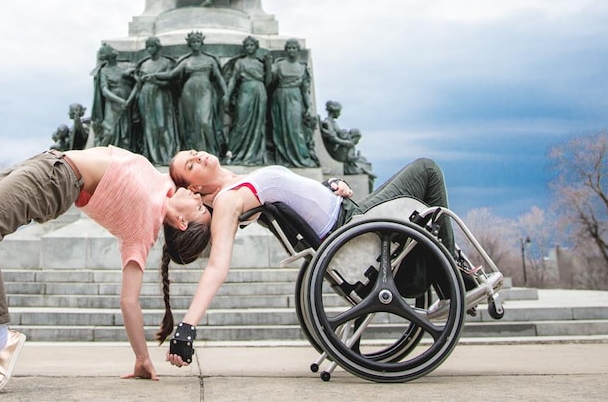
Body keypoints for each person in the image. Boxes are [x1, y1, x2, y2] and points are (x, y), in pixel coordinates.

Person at [0, 146, 209, 393]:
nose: (197, 195)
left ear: (183, 222)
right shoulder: (165, 183)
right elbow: (196, 166)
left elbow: (129, 301)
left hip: (58, 179)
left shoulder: (143, 227)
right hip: (47, 160)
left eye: (199, 207)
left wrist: (142, 358)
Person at [157, 149, 457, 366]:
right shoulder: (228, 200)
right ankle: (456, 281)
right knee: (427, 169)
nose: (199, 156)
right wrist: (186, 328)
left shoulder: (236, 184)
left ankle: (454, 275)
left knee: (421, 195)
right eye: (191, 164)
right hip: (350, 228)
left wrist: (329, 187)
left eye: (194, 153)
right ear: (194, 186)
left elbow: (296, 200)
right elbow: (217, 266)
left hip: (350, 218)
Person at [144, 31, 227, 157]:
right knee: (192, 123)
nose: (196, 44)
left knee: (205, 122)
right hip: (188, 92)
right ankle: (195, 153)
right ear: (189, 44)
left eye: (198, 42)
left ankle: (212, 152)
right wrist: (154, 75)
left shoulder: (210, 60)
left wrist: (226, 93)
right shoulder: (186, 61)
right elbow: (171, 74)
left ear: (202, 43)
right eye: (193, 42)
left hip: (205, 91)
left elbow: (219, 78)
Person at [268, 39, 319, 168]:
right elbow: (270, 82)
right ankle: (284, 157)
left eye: (294, 48)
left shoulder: (302, 67)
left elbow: (305, 90)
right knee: (281, 128)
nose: (291, 50)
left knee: (295, 129)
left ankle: (300, 157)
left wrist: (308, 107)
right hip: (280, 96)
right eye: (289, 48)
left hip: (295, 97)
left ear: (298, 50)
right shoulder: (279, 65)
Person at [132, 36, 180, 165]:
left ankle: (168, 156)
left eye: (152, 46)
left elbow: (171, 82)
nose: (149, 49)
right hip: (145, 95)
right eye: (147, 46)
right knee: (149, 127)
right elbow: (138, 84)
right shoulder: (144, 64)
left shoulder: (166, 63)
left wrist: (156, 81)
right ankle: (154, 157)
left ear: (158, 47)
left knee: (162, 125)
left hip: (161, 94)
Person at [223, 36, 267, 165]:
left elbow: (268, 81)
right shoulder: (240, 63)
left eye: (251, 45)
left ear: (256, 47)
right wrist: (227, 94)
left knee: (257, 124)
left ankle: (253, 155)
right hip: (245, 91)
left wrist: (269, 65)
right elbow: (233, 80)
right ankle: (232, 152)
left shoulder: (261, 63)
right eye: (247, 45)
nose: (249, 48)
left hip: (259, 92)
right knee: (240, 123)